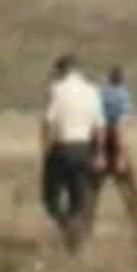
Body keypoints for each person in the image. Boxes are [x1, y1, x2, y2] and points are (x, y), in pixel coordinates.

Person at [40, 53, 105, 252]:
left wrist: (45, 150)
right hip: (85, 148)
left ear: (61, 70)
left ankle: (68, 228)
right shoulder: (92, 91)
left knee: (50, 198)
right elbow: (99, 127)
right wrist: (99, 153)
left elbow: (48, 122)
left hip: (62, 147)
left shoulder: (57, 90)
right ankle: (75, 236)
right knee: (78, 198)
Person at [93, 66, 137, 247]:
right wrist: (120, 155)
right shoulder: (122, 96)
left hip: (97, 143)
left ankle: (80, 231)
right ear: (123, 80)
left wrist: (98, 152)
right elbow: (120, 128)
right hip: (114, 143)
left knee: (91, 193)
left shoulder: (100, 94)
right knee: (130, 191)